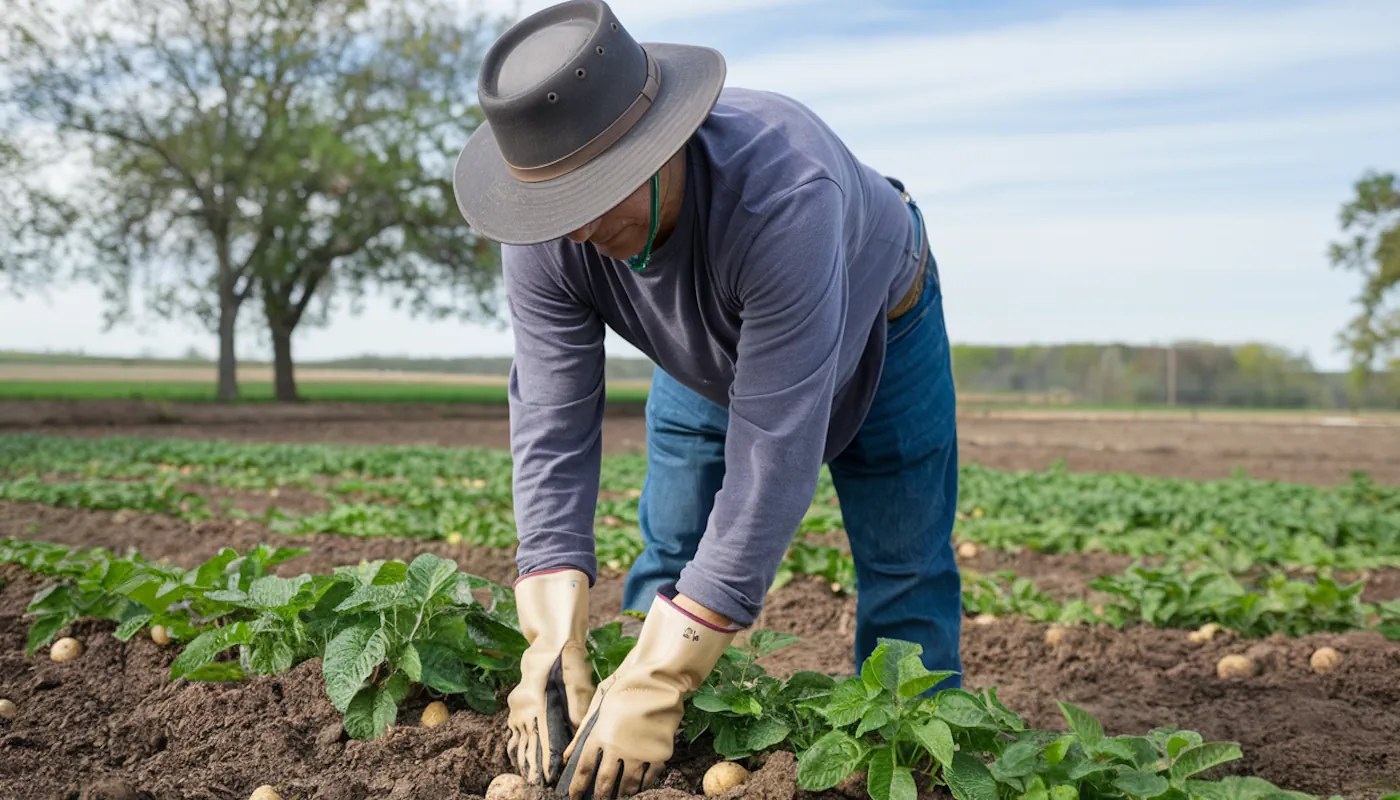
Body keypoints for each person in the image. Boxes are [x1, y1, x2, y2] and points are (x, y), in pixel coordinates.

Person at [451, 1, 962, 798]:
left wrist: (665, 675)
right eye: (558, 207)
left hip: (882, 323)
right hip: (704, 356)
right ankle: (646, 745)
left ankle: (923, 767)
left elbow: (774, 454)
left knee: (905, 565)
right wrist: (549, 633)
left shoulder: (788, 191)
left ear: (663, 146)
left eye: (596, 195)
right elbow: (551, 423)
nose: (576, 230)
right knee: (669, 556)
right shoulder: (552, 230)